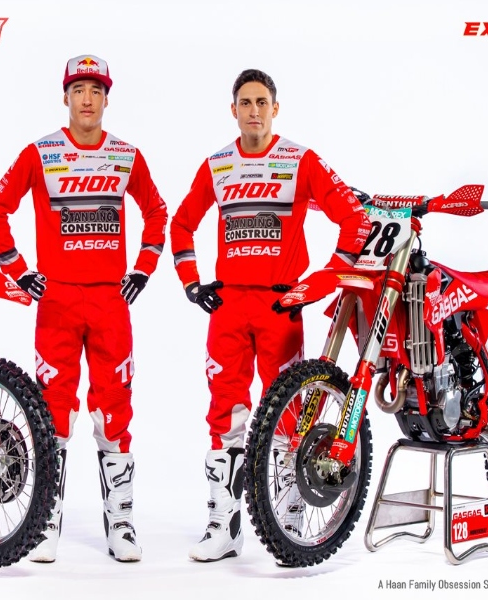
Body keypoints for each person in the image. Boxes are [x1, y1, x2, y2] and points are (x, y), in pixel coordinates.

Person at [170, 69, 371, 562]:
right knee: (224, 414)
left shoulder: (299, 159)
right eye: (245, 102)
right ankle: (223, 527)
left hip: (281, 305)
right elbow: (181, 224)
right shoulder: (218, 164)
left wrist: (326, 278)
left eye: (262, 102)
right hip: (228, 308)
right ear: (233, 110)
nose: (254, 110)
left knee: (291, 417)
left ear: (275, 109)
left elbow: (355, 217)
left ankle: (292, 520)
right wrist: (192, 282)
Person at [0, 54, 167, 563]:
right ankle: (45, 522)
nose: (87, 99)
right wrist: (18, 269)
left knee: (115, 413)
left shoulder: (126, 155)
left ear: (107, 98)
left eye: (96, 90)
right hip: (58, 301)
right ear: (65, 96)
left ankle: (122, 524)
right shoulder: (40, 152)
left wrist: (143, 269)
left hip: (111, 301)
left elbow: (156, 212)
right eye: (79, 89)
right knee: (52, 413)